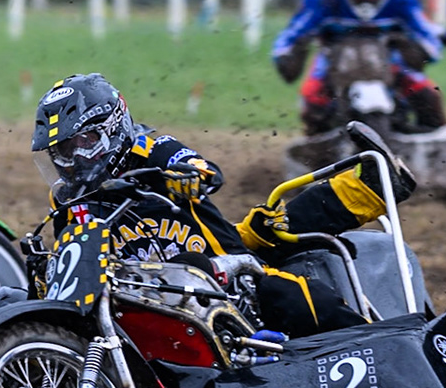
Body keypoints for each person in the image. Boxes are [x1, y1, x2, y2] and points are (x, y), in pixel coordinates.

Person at [30, 73, 415, 337]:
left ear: (113, 127)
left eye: (83, 142)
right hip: (145, 299)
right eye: (62, 150)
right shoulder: (68, 199)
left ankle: (380, 346)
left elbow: (203, 170)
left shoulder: (149, 149)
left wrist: (182, 176)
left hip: (224, 272)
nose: (73, 159)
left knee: (286, 276)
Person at [273, 0, 446, 134]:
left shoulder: (400, 1)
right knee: (312, 101)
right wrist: (285, 53)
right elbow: (295, 31)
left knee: (428, 97)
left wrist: (432, 42)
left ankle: (435, 144)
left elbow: (426, 32)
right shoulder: (329, 2)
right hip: (334, 65)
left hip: (389, 64)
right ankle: (316, 145)